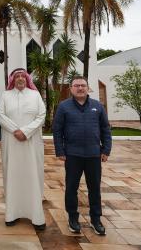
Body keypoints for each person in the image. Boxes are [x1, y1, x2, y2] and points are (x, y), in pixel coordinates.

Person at [53, 76, 112, 236]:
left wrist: (106, 150)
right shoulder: (64, 107)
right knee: (71, 188)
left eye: (83, 85)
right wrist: (60, 151)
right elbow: (57, 130)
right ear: (71, 88)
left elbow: (106, 129)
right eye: (77, 85)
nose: (80, 88)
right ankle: (73, 218)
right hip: (72, 155)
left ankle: (96, 219)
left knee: (95, 188)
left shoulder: (97, 106)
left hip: (94, 154)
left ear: (88, 88)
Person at [0, 68, 46, 231]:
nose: (19, 79)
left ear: (27, 79)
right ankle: (12, 214)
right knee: (12, 175)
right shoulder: (6, 95)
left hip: (31, 144)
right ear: (12, 79)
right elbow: (0, 115)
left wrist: (25, 132)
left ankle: (36, 216)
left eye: (22, 76)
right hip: (11, 142)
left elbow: (41, 115)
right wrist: (15, 130)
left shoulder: (35, 95)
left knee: (33, 175)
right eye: (16, 76)